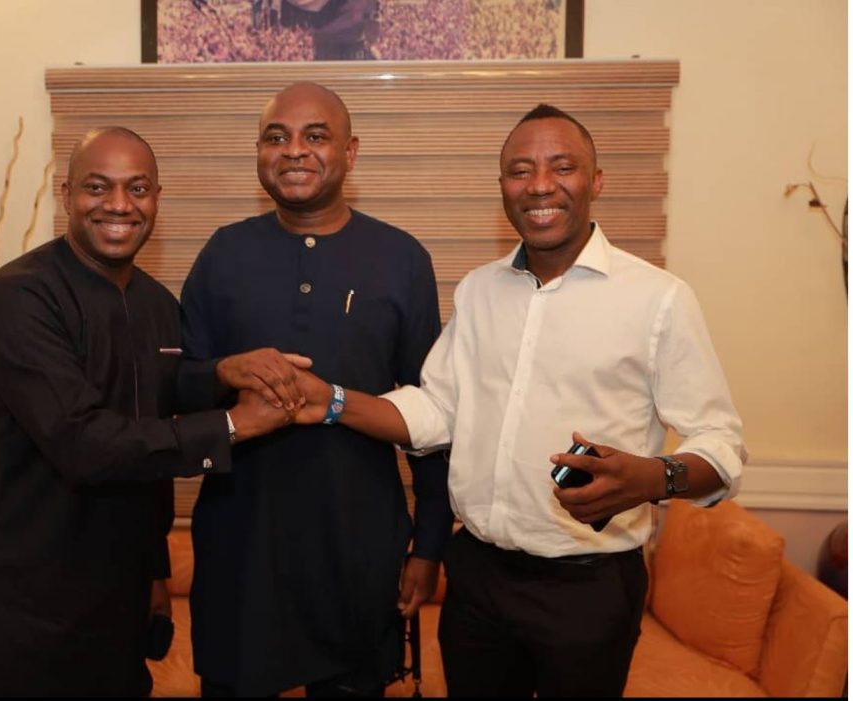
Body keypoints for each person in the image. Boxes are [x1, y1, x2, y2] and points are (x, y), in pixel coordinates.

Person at [292, 104, 747, 697]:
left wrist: (652, 477)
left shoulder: (658, 299)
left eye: (562, 167)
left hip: (588, 588)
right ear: (502, 186)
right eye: (519, 170)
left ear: (597, 180)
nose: (539, 186)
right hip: (478, 577)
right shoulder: (480, 290)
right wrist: (328, 400)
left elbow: (722, 445)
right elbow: (438, 412)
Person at [0, 127, 300, 697]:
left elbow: (151, 441)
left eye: (137, 188)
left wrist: (156, 571)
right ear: (67, 194)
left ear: (157, 198)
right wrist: (235, 423)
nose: (119, 205)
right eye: (99, 187)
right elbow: (86, 443)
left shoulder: (158, 305)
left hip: (119, 603)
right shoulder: (20, 298)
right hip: (29, 602)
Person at [178, 82, 453, 697]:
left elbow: (434, 413)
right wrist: (225, 371)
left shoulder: (401, 258)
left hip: (356, 550)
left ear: (350, 153)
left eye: (315, 136)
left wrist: (428, 543)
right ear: (258, 154)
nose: (294, 150)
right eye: (277, 137)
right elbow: (176, 389)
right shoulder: (223, 252)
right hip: (239, 551)